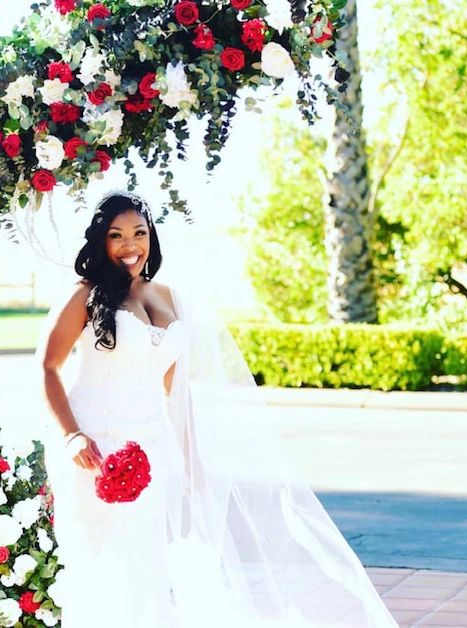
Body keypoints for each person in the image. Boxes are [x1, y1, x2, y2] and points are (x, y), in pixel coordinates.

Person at [38, 192, 398, 627]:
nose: (130, 245)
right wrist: (73, 434)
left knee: (147, 562)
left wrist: (193, 468)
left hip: (149, 448)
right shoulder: (85, 296)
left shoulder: (167, 296)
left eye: (139, 233)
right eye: (117, 236)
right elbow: (48, 367)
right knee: (104, 562)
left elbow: (178, 393)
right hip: (93, 448)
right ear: (100, 240)